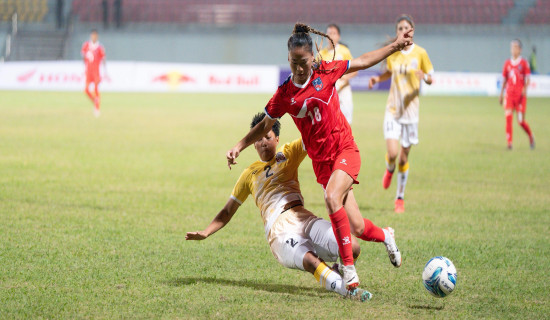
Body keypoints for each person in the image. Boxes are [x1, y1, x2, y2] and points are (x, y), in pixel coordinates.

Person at [226, 23, 410, 289]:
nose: (299, 68)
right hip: (323, 164)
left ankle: (348, 270)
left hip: (344, 150)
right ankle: (386, 235)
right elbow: (265, 125)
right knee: (357, 227)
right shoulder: (285, 94)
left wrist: (394, 46)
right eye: (293, 63)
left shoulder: (328, 71)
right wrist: (239, 146)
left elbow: (361, 61)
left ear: (313, 57)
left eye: (303, 62)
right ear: (288, 60)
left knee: (331, 197)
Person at [187, 113, 390, 302]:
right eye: (258, 140)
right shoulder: (249, 174)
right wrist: (206, 232)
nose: (262, 143)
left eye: (267, 137)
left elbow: (312, 136)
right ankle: (348, 291)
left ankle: (336, 271)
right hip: (278, 230)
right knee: (311, 261)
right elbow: (227, 211)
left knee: (353, 247)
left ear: (277, 138)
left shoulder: (288, 153)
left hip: (303, 218)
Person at [368, 15, 433, 214]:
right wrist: (378, 79)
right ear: (397, 32)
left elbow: (431, 77)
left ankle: (399, 198)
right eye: (400, 28)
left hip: (411, 114)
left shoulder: (420, 53)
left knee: (404, 160)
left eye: (407, 27)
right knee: (394, 153)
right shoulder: (393, 53)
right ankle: (389, 168)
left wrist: (425, 77)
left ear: (412, 30)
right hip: (393, 110)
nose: (404, 30)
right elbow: (389, 72)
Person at [499, 39, 535, 150]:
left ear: (520, 49)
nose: (513, 49)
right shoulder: (507, 63)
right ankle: (509, 143)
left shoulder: (524, 63)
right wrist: (501, 94)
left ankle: (530, 136)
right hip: (509, 94)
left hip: (520, 96)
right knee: (508, 118)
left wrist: (524, 90)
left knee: (520, 121)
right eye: (512, 47)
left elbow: (528, 79)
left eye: (515, 47)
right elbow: (504, 79)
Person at [318, 23, 357, 124]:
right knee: (329, 123)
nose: (331, 36)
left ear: (338, 36)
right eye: (329, 33)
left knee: (346, 123)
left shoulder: (344, 51)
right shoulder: (321, 54)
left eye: (334, 33)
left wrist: (344, 78)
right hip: (328, 93)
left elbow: (355, 70)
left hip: (343, 91)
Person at [81, 29, 106, 117]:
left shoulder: (99, 47)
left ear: (97, 36)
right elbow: (83, 55)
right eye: (92, 35)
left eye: (95, 35)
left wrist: (104, 70)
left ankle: (97, 108)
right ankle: (95, 101)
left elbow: (103, 58)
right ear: (91, 36)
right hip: (88, 71)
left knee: (96, 89)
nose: (94, 37)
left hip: (96, 71)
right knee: (86, 90)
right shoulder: (86, 45)